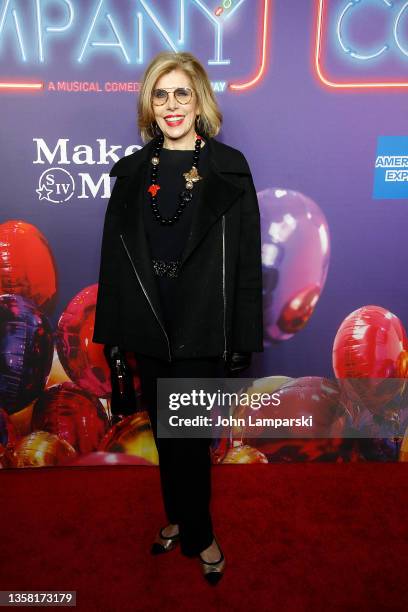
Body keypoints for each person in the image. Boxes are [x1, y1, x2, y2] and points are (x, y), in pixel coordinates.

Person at [92, 51, 264, 585]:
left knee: (190, 437)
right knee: (166, 435)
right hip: (149, 324)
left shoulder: (228, 169)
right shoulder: (132, 173)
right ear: (150, 103)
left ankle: (199, 532)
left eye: (181, 93)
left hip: (201, 326)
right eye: (161, 95)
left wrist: (241, 337)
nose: (171, 105)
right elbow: (115, 262)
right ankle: (178, 517)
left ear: (199, 101)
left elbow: (244, 263)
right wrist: (115, 337)